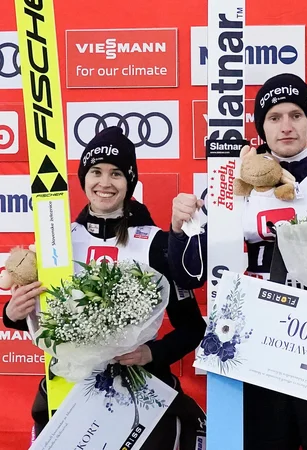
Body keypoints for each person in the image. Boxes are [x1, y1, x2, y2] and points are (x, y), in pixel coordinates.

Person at [168, 73, 307, 450]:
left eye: (295, 114)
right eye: (274, 117)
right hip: (252, 353)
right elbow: (188, 274)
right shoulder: (229, 187)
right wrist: (179, 229)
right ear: (262, 127)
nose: (286, 126)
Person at [3, 126, 208, 449]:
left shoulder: (155, 243)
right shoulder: (57, 241)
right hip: (70, 391)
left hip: (139, 391)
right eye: (96, 171)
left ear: (130, 182)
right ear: (84, 177)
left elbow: (193, 327)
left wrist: (151, 353)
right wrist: (11, 313)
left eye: (116, 174)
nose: (104, 183)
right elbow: (34, 312)